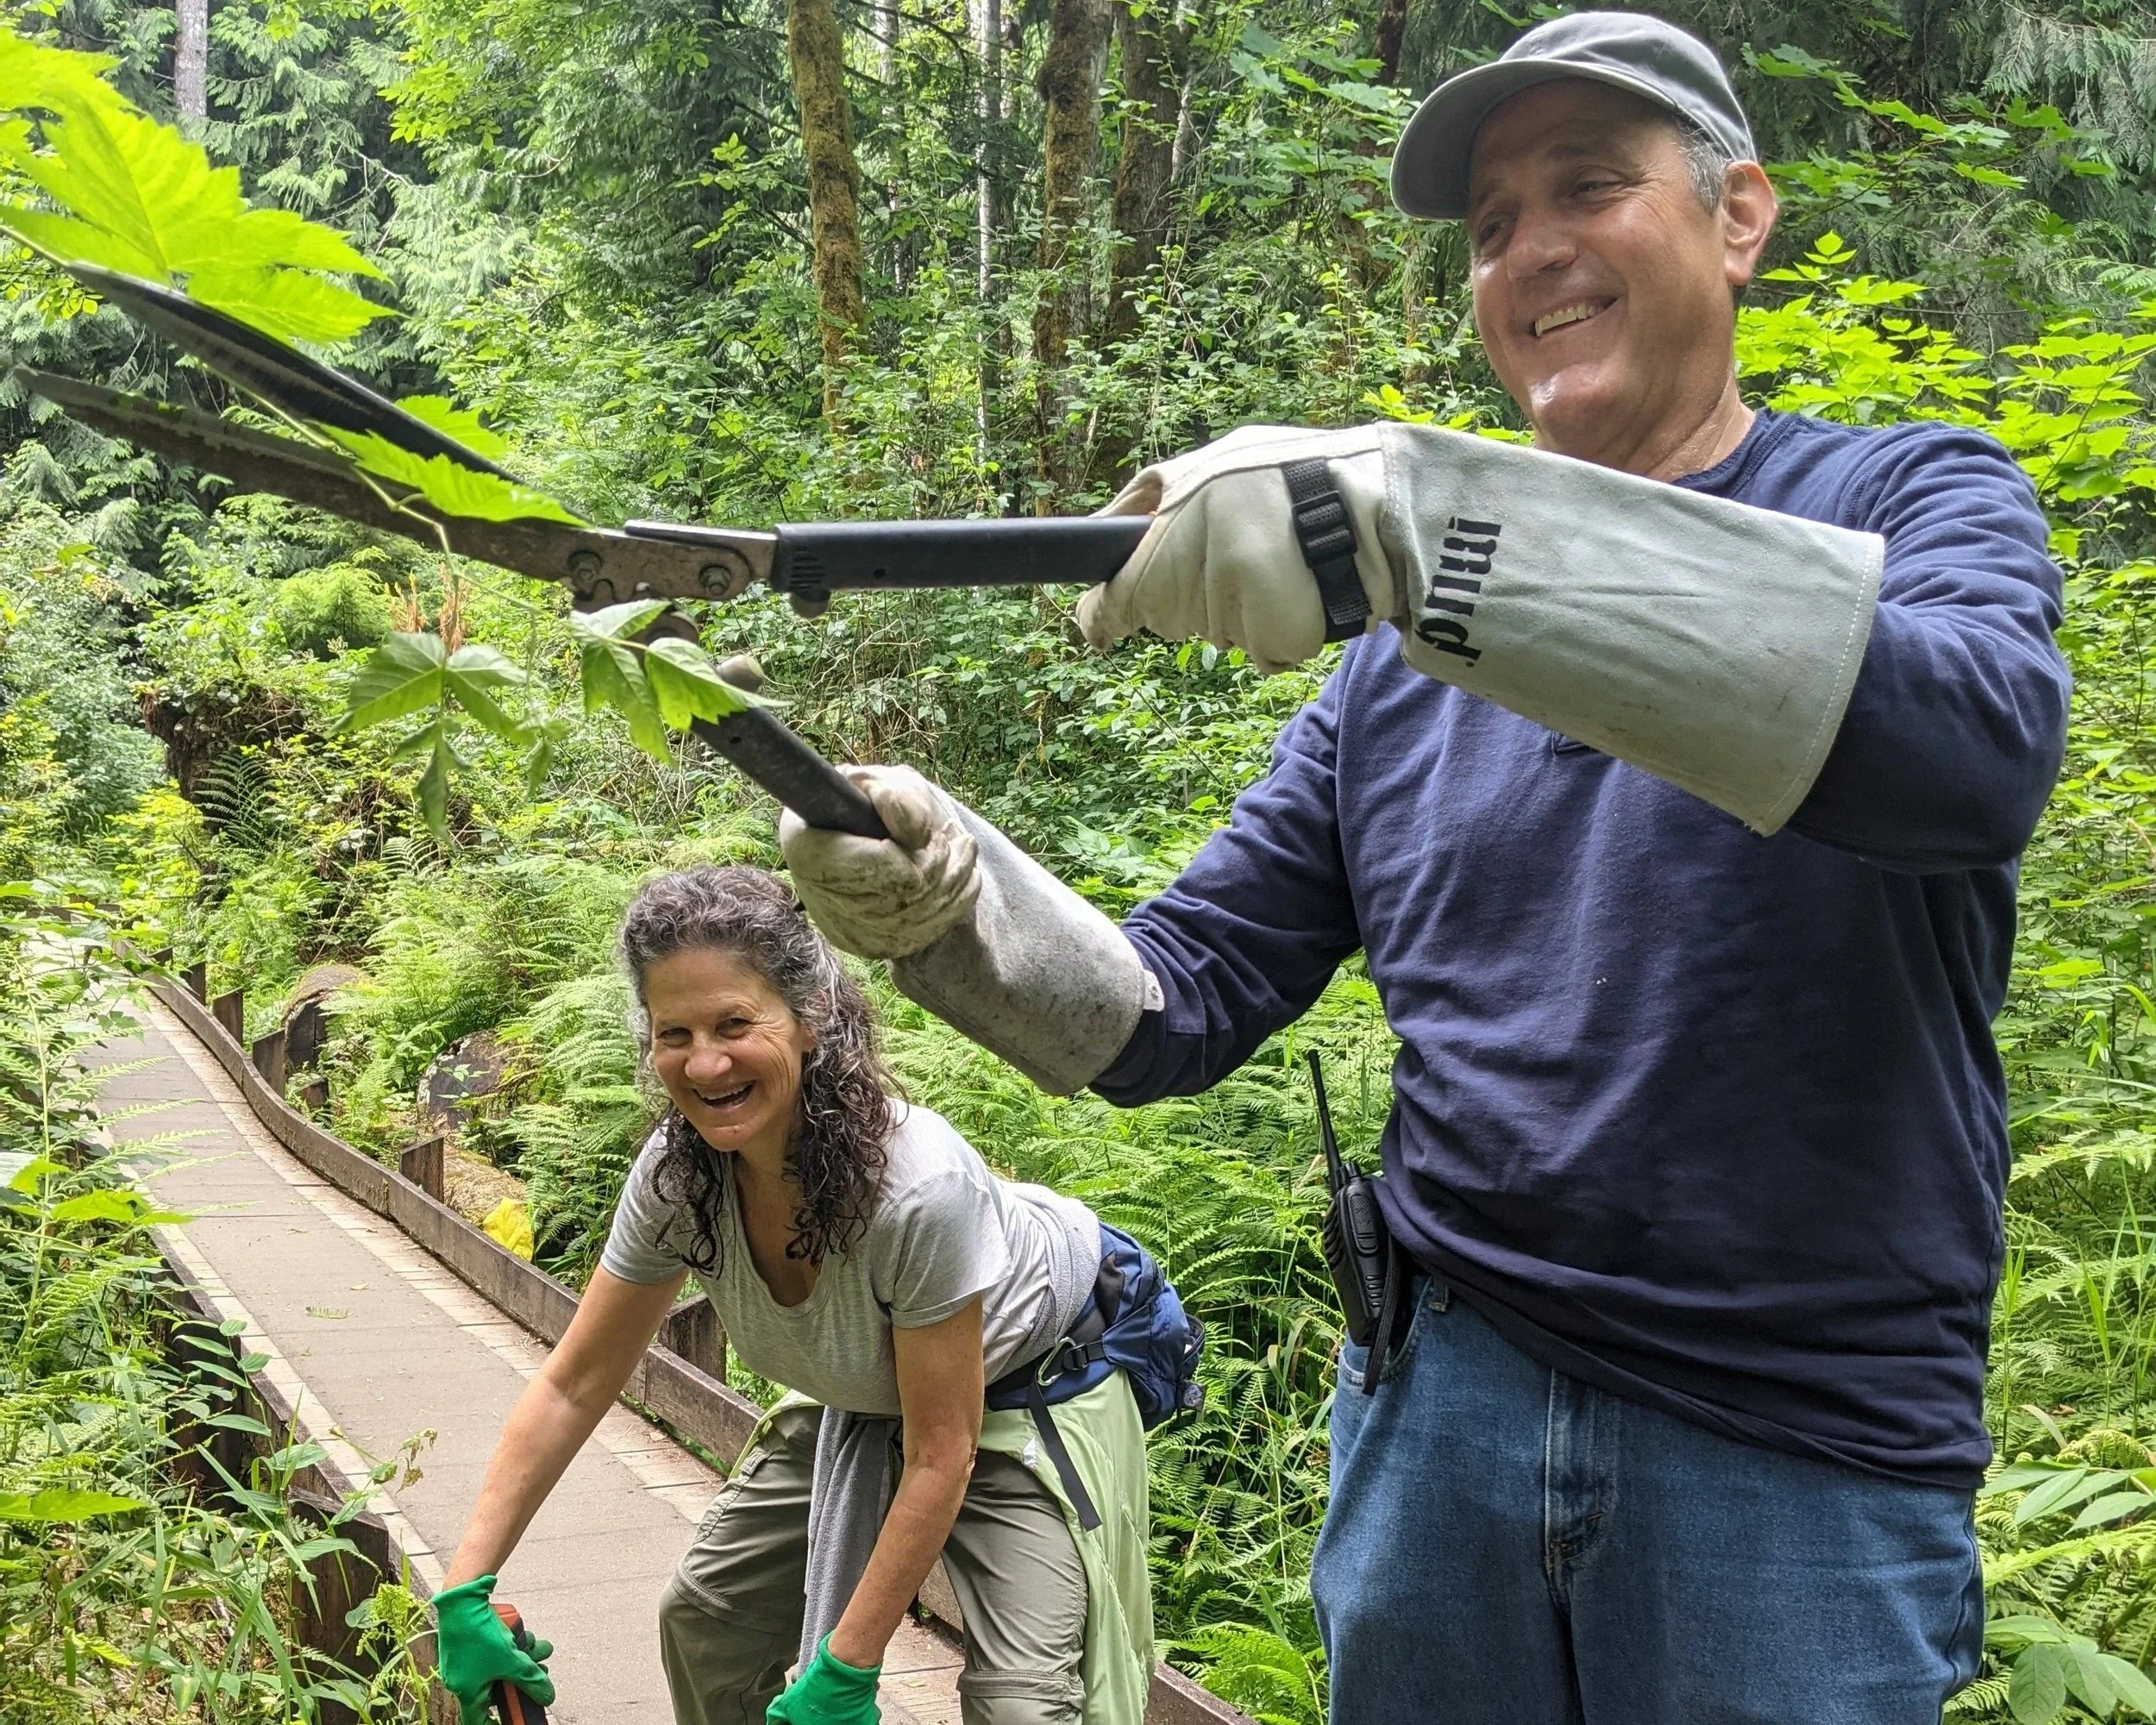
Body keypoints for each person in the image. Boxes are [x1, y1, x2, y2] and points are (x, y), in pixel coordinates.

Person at [775, 12, 2071, 1724]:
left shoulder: (1901, 499)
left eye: (1586, 186)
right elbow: (1178, 1001)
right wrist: (949, 904)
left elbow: (1966, 751)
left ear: (1736, 215)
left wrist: (1424, 530)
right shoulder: (1397, 666)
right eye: (1486, 226)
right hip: (1434, 1411)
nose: (1528, 247)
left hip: (1794, 1449)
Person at [428, 865, 1156, 1725]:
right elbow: (575, 1381)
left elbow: (940, 1450)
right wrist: (464, 1587)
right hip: (865, 1391)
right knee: (707, 1621)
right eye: (675, 1032)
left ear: (809, 1018)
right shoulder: (677, 1175)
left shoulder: (912, 1187)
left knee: (1022, 1708)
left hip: (1027, 1385)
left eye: (734, 1022)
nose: (704, 1061)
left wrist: (845, 1670)